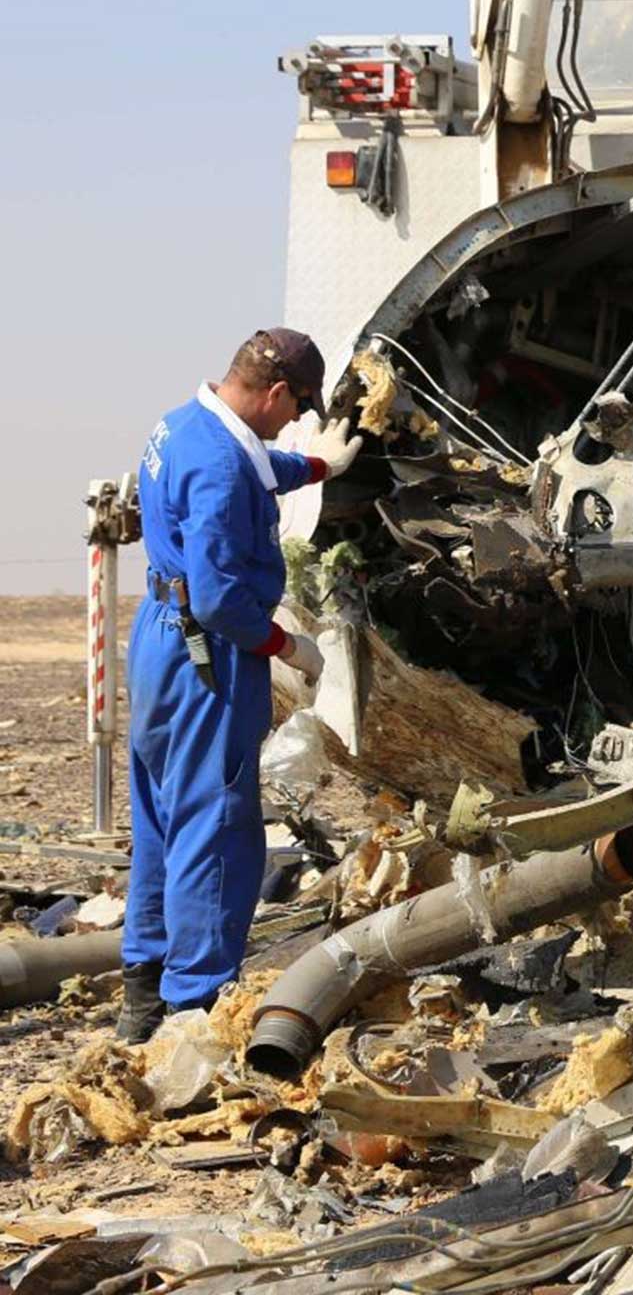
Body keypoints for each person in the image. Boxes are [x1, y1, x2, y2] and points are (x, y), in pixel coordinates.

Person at [118, 330, 362, 1042]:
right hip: (209, 653)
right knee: (217, 827)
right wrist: (291, 648)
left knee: (162, 818)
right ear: (278, 392)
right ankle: (194, 1008)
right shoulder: (223, 464)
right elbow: (223, 599)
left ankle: (143, 992)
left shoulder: (182, 424)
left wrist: (318, 465)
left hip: (159, 640)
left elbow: (252, 468)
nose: (292, 423)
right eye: (295, 412)